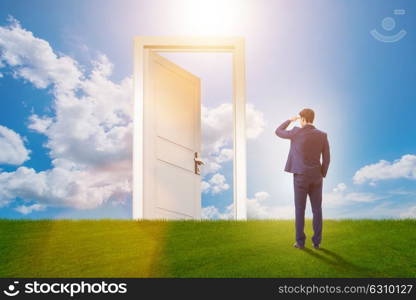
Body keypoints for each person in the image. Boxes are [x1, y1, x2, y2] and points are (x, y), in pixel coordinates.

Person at [275, 108, 330, 249]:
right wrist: (322, 173)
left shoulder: (296, 132)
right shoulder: (322, 135)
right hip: (316, 177)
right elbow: (327, 158)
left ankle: (300, 243)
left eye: (300, 119)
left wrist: (290, 120)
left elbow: (278, 131)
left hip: (300, 176)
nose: (299, 122)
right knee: (317, 209)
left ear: (303, 119)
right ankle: (316, 242)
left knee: (300, 209)